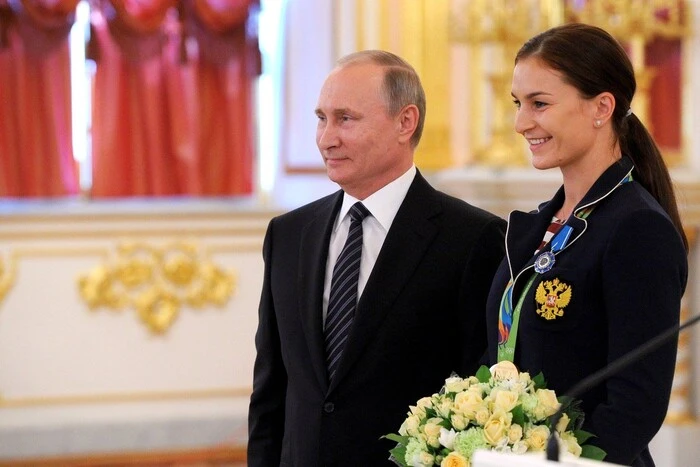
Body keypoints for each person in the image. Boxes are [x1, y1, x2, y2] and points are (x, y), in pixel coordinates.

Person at [248, 50, 507, 466]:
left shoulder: (473, 238)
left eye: (345, 119)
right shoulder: (289, 235)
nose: (326, 138)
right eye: (321, 118)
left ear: (405, 122)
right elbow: (271, 390)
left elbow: (481, 391)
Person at [484, 23, 689, 467]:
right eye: (518, 103)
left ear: (601, 107)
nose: (521, 123)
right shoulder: (539, 224)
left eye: (539, 103)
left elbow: (635, 407)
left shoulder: (637, 228)